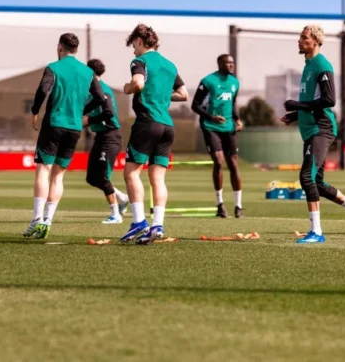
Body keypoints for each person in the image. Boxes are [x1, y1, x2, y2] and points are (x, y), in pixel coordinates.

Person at [281, 25, 345, 244]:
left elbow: (329, 100)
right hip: (311, 129)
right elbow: (313, 101)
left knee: (306, 177)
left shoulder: (322, 65)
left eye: (304, 37)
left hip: (321, 128)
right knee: (318, 183)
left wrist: (296, 105)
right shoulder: (308, 66)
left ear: (316, 41)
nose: (299, 40)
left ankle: (317, 232)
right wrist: (295, 115)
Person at [23, 33, 111, 239]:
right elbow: (101, 97)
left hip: (54, 124)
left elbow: (43, 90)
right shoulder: (88, 72)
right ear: (76, 49)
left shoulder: (53, 67)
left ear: (59, 47)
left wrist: (34, 111)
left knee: (43, 170)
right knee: (58, 175)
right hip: (74, 129)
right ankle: (48, 220)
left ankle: (36, 219)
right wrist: (81, 110)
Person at [120, 24, 188, 245]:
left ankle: (139, 222)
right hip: (167, 126)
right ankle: (157, 225)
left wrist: (128, 88)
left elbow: (138, 83)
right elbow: (183, 94)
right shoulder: (170, 65)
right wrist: (162, 94)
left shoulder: (140, 61)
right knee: (157, 178)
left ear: (140, 41)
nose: (133, 51)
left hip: (147, 122)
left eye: (134, 45)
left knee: (131, 173)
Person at [191, 54, 244, 218]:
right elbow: (195, 105)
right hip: (210, 126)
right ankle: (220, 204)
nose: (231, 65)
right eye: (228, 63)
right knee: (219, 161)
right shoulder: (208, 81)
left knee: (233, 163)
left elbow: (232, 103)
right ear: (220, 64)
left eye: (232, 63)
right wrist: (211, 117)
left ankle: (238, 206)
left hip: (228, 127)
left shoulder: (235, 82)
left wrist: (237, 119)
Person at [81, 59, 130, 224]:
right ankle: (122, 198)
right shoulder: (92, 90)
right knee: (91, 178)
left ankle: (115, 215)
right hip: (100, 137)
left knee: (102, 177)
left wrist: (88, 120)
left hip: (110, 137)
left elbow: (109, 112)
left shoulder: (103, 90)